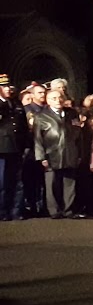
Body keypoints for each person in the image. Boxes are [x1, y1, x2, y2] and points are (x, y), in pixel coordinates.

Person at [33, 91, 83, 219]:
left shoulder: (72, 113)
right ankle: (54, 210)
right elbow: (37, 139)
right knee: (52, 183)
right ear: (48, 101)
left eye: (60, 97)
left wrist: (79, 153)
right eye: (54, 98)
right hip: (52, 154)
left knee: (69, 183)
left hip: (70, 151)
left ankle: (69, 209)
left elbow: (79, 134)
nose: (58, 100)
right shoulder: (41, 116)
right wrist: (41, 157)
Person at [1, 73, 32, 220]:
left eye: (8, 86)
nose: (8, 89)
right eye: (4, 86)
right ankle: (3, 211)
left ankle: (16, 210)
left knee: (17, 181)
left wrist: (26, 144)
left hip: (16, 148)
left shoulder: (16, 104)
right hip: (2, 149)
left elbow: (23, 127)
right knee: (3, 181)